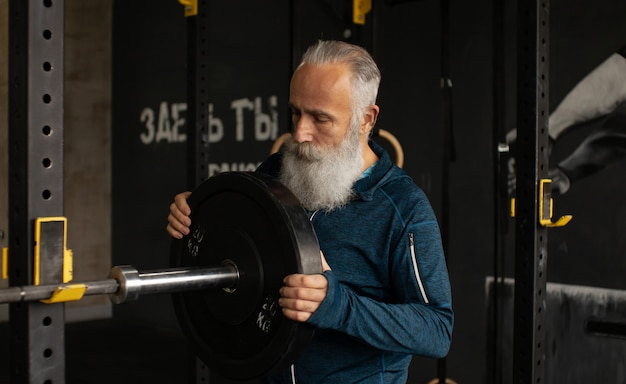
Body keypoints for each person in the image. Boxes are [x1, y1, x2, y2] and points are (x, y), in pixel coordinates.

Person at [167, 40, 453, 383]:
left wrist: (338, 306)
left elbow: (437, 331)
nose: (299, 133)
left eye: (320, 118)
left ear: (366, 119)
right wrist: (198, 215)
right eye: (295, 112)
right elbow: (241, 256)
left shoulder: (404, 207)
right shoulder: (275, 171)